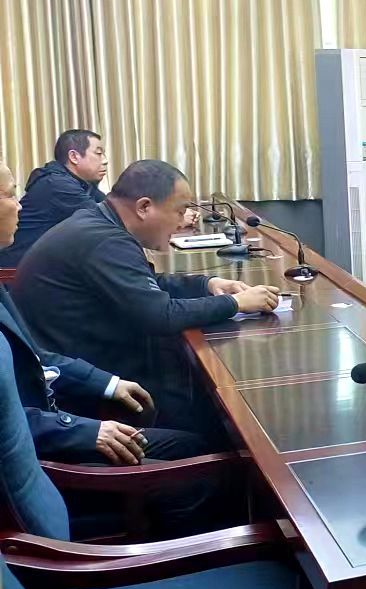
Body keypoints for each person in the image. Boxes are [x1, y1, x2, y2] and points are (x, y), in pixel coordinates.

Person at [12, 160, 280, 439]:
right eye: (179, 211)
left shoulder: (97, 223)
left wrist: (207, 284)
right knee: (210, 426)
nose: (182, 222)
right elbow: (160, 315)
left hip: (81, 369)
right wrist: (237, 303)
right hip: (81, 397)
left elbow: (144, 284)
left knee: (191, 378)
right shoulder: (105, 241)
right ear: (144, 207)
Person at [0, 129, 109, 267]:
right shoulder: (56, 184)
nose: (105, 160)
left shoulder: (82, 184)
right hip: (15, 270)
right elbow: (107, 220)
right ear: (74, 157)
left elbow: (112, 209)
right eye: (98, 153)